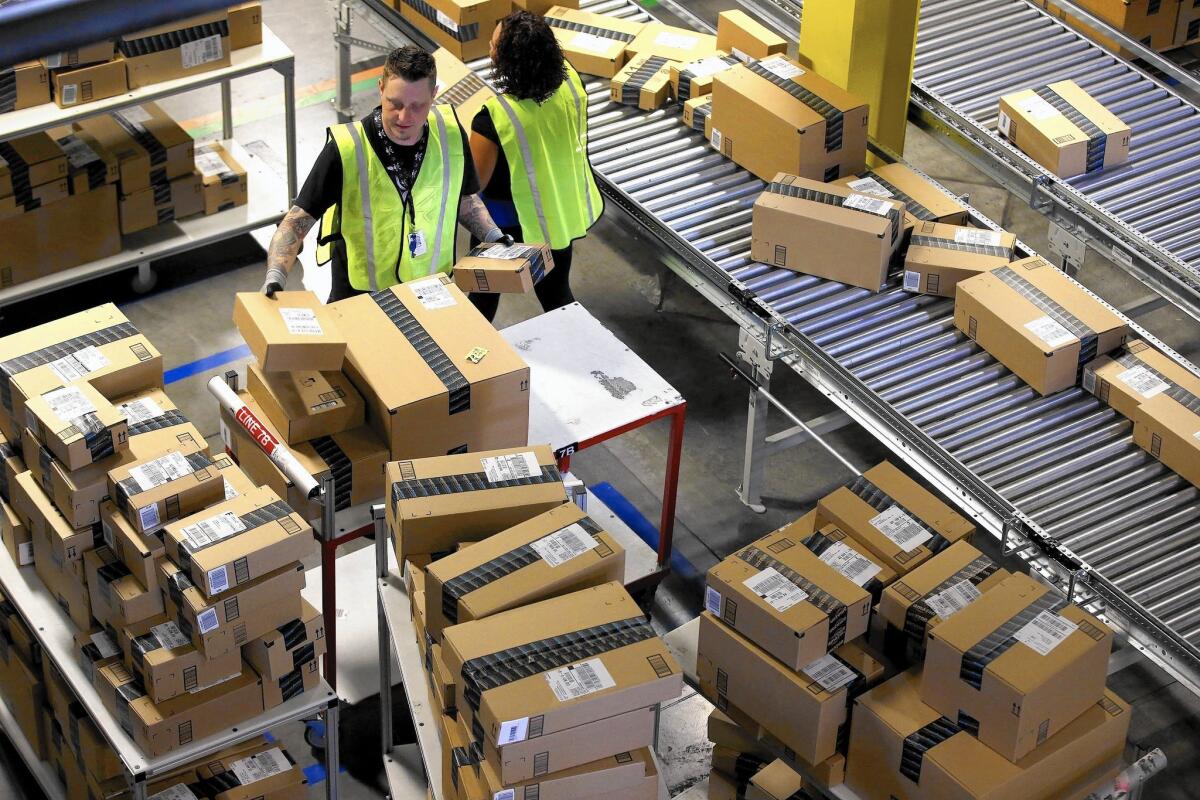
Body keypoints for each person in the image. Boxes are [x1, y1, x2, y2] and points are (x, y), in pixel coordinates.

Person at [260, 46, 510, 302]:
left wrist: (494, 236)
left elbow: (464, 198)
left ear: (434, 95)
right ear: (381, 88)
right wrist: (275, 277)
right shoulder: (347, 149)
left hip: (430, 290)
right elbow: (297, 221)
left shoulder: (449, 135)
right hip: (362, 296)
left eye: (417, 106)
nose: (404, 117)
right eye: (395, 104)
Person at [468, 10, 603, 321]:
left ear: (510, 61)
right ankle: (586, 356)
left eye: (494, 47)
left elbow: (476, 184)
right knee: (557, 295)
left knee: (481, 300)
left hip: (507, 226)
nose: (490, 50)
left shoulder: (494, 118)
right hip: (556, 215)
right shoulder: (570, 82)